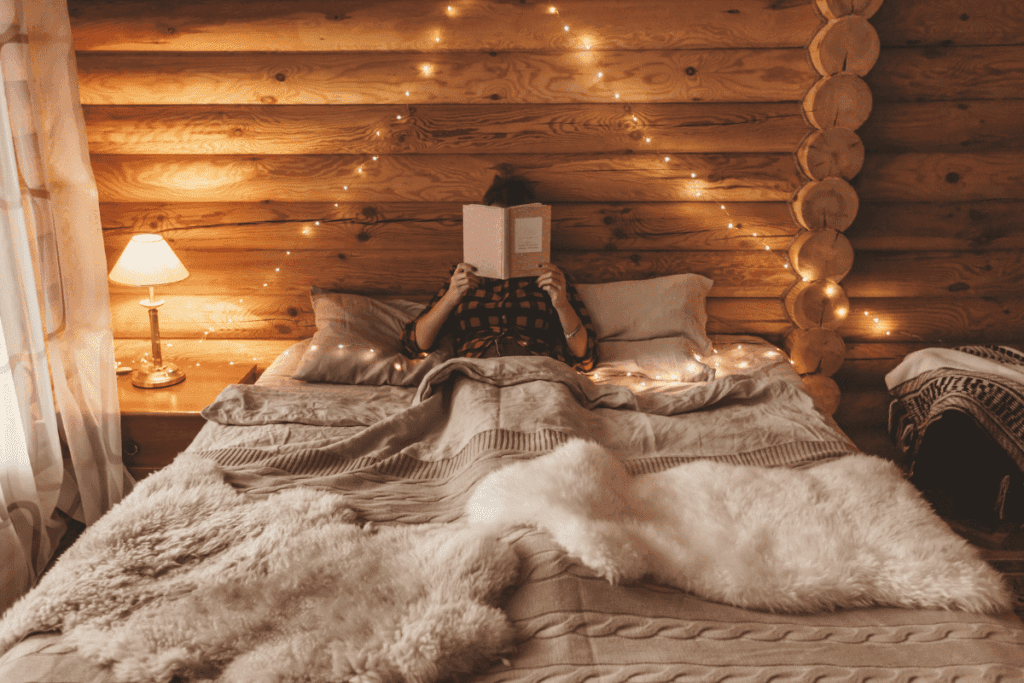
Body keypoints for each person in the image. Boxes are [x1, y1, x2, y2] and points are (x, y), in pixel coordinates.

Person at [400, 175, 597, 372]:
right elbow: (414, 345)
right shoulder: (462, 278)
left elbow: (585, 357)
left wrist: (561, 304)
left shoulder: (550, 278)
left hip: (534, 369)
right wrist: (451, 297)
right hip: (475, 368)